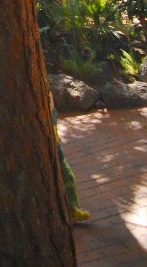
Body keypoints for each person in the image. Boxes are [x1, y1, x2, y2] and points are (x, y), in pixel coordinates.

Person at [49, 92, 91, 223]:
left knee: (67, 177)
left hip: (54, 142)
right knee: (66, 177)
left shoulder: (48, 97)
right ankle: (70, 209)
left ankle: (71, 209)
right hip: (51, 143)